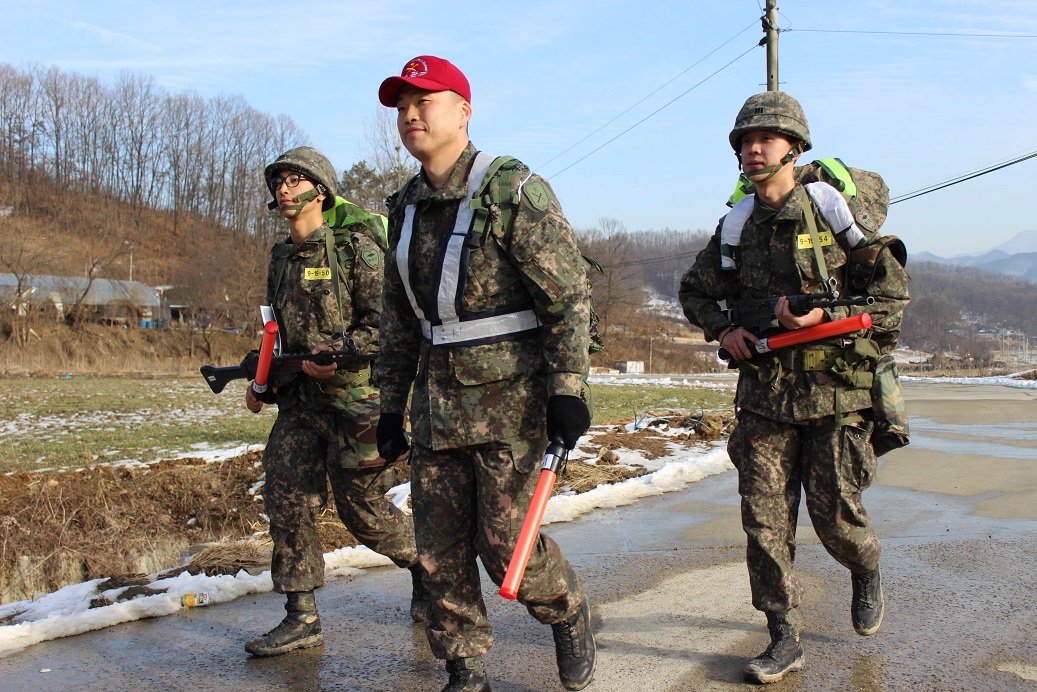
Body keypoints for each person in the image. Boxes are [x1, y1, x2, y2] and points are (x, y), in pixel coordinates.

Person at [374, 56, 596, 691]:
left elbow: (568, 298)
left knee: (506, 548)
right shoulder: (404, 209)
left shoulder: (513, 192)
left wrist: (567, 391)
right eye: (401, 105)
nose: (411, 114)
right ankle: (464, 670)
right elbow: (399, 321)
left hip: (513, 407)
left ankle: (568, 608)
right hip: (436, 410)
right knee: (438, 551)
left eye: (426, 100)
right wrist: (391, 406)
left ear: (464, 111)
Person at [678, 92, 910, 684]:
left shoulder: (833, 216)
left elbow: (890, 299)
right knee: (764, 524)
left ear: (794, 147)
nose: (753, 150)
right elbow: (694, 292)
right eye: (744, 142)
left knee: (836, 519)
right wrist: (725, 328)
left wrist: (820, 323)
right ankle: (782, 637)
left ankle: (866, 566)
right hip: (763, 399)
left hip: (834, 396)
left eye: (766, 139)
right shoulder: (735, 227)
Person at [243, 146, 428, 657]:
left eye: (294, 180)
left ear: (319, 191)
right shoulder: (281, 259)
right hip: (300, 404)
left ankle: (425, 567)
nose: (283, 188)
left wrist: (339, 355)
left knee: (362, 510)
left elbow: (388, 327)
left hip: (355, 399)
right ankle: (301, 616)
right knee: (286, 498)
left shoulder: (354, 251)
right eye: (277, 180)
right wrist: (263, 374)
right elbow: (275, 329)